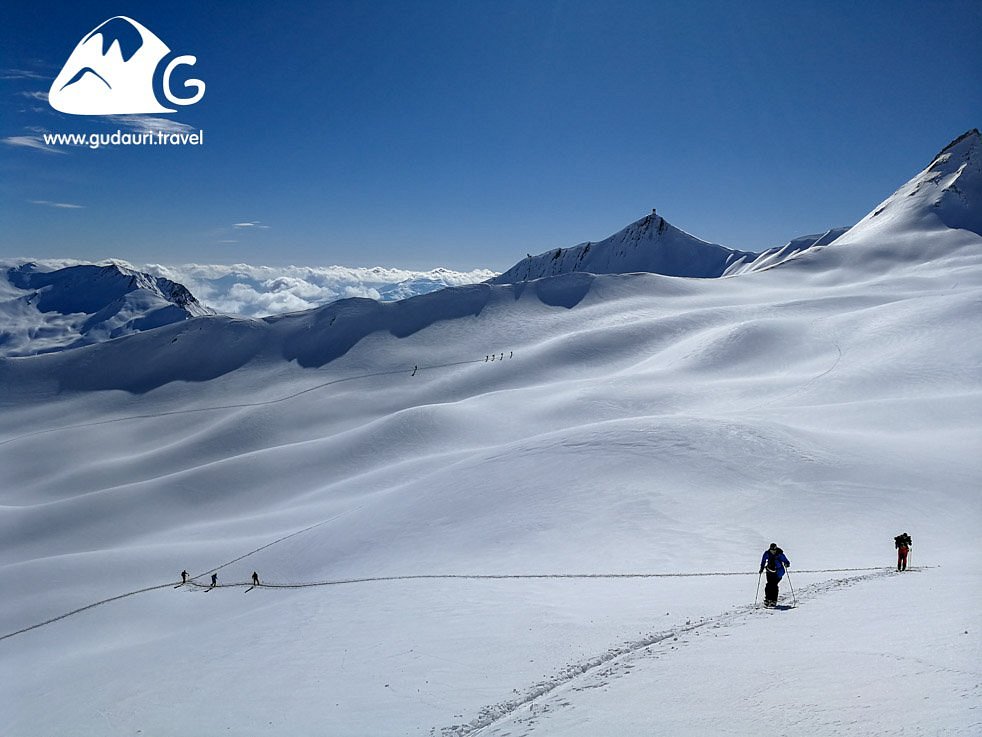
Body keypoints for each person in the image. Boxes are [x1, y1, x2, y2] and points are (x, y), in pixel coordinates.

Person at [759, 543, 791, 607]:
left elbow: (786, 561)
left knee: (773, 585)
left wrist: (787, 564)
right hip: (769, 571)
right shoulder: (767, 553)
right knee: (769, 585)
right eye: (772, 550)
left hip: (778, 572)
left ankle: (773, 600)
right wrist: (761, 568)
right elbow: (763, 561)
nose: (773, 551)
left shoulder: (780, 554)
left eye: (774, 550)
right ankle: (768, 599)